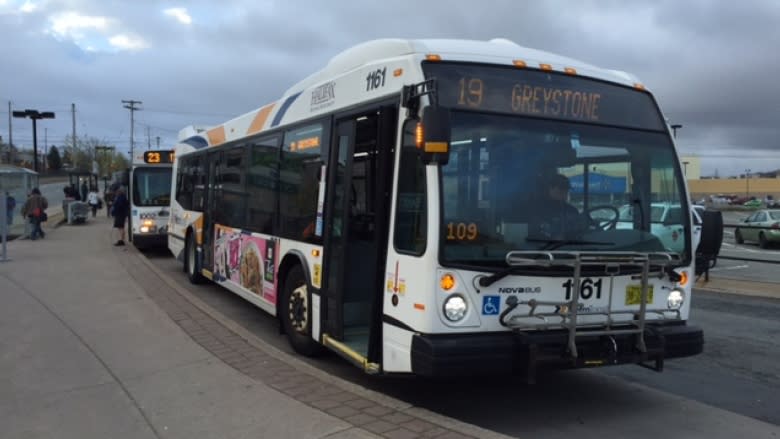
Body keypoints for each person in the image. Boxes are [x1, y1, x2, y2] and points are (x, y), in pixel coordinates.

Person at [530, 173, 586, 240]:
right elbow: (535, 233)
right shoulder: (538, 210)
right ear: (550, 188)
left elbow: (578, 233)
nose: (564, 192)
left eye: (566, 189)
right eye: (561, 188)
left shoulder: (572, 210)